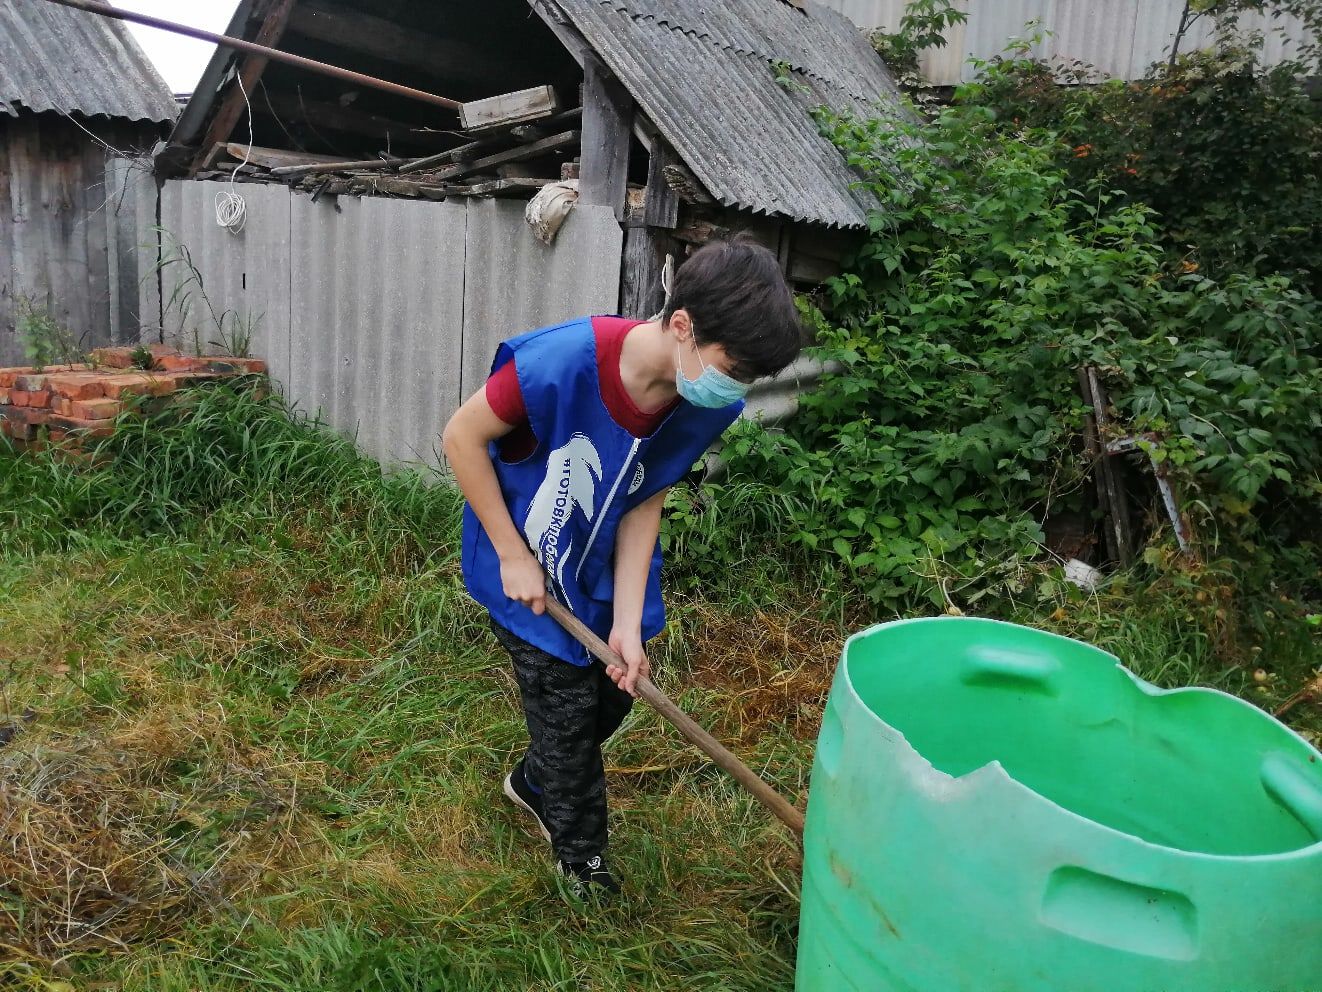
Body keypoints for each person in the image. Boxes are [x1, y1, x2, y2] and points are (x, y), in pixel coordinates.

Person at [441, 236, 803, 897]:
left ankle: (535, 778)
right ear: (684, 326)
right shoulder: (561, 363)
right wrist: (513, 555)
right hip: (529, 569)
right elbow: (461, 437)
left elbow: (644, 501)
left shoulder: (704, 402)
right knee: (569, 712)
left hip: (600, 567)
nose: (736, 387)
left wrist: (628, 624)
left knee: (613, 693)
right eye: (734, 367)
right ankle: (581, 855)